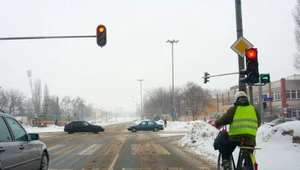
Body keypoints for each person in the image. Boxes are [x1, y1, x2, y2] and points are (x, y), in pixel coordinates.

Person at [212, 91, 261, 170]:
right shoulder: (253, 109)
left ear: (237, 100)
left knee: (225, 148)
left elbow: (225, 119)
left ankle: (227, 164)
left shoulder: (234, 109)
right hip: (250, 138)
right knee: (249, 150)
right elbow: (258, 123)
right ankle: (248, 165)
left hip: (235, 137)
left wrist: (217, 123)